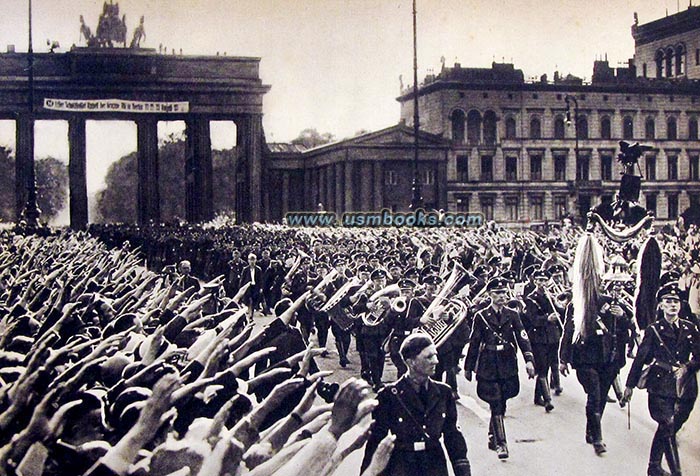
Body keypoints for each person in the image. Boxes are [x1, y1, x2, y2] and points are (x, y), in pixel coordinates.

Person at [361, 333, 472, 476]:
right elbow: (376, 442)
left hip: (435, 465)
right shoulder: (388, 396)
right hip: (401, 466)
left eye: (435, 355)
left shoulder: (444, 392)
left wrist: (462, 471)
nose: (436, 361)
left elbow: (452, 436)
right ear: (411, 362)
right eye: (428, 357)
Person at [623, 283, 700, 476]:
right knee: (666, 423)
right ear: (661, 305)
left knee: (671, 427)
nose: (672, 305)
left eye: (676, 301)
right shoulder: (653, 330)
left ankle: (653, 466)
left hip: (685, 387)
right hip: (660, 386)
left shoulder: (690, 328)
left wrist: (688, 367)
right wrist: (629, 386)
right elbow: (640, 359)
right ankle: (677, 472)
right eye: (668, 301)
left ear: (681, 305)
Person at [559, 256, 631, 456]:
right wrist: (562, 360)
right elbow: (568, 331)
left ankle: (591, 429)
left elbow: (625, 330)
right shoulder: (576, 304)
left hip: (607, 358)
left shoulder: (610, 303)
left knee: (599, 399)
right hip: (584, 358)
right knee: (594, 394)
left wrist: (622, 317)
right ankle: (598, 438)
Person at [464, 277, 535, 459]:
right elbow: (474, 342)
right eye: (497, 293)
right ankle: (502, 444)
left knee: (501, 402)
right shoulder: (481, 316)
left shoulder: (513, 314)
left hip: (507, 363)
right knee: (495, 401)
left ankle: (492, 435)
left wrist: (528, 360)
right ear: (489, 295)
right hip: (488, 364)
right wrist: (468, 366)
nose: (502, 296)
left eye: (504, 292)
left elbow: (522, 337)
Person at [523, 268, 562, 412]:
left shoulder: (551, 296)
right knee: (542, 368)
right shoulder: (531, 298)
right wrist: (547, 318)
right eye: (540, 280)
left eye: (545, 280)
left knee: (551, 363)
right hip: (538, 337)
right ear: (535, 281)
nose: (543, 283)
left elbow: (561, 314)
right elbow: (532, 320)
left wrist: (560, 306)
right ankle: (547, 400)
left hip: (552, 337)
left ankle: (538, 396)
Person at [239, 253, 263, 319]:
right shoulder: (245, 269)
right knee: (249, 301)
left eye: (253, 260)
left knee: (254, 301)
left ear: (256, 260)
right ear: (248, 260)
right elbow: (242, 279)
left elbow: (260, 279)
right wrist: (241, 288)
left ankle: (251, 313)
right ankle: (250, 315)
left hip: (255, 287)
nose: (252, 261)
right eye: (250, 260)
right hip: (248, 287)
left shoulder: (258, 269)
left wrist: (261, 288)